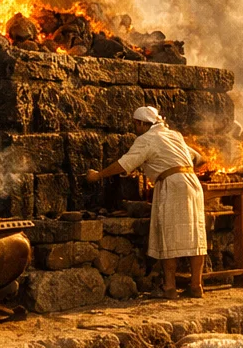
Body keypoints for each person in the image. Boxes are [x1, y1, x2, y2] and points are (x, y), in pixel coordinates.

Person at [86, 106, 207, 298]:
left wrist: (98, 175)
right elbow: (200, 159)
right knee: (195, 235)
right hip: (193, 185)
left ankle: (169, 288)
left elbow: (124, 164)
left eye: (136, 124)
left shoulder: (146, 139)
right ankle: (196, 286)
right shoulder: (174, 135)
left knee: (170, 235)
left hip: (172, 186)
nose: (135, 128)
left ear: (143, 123)